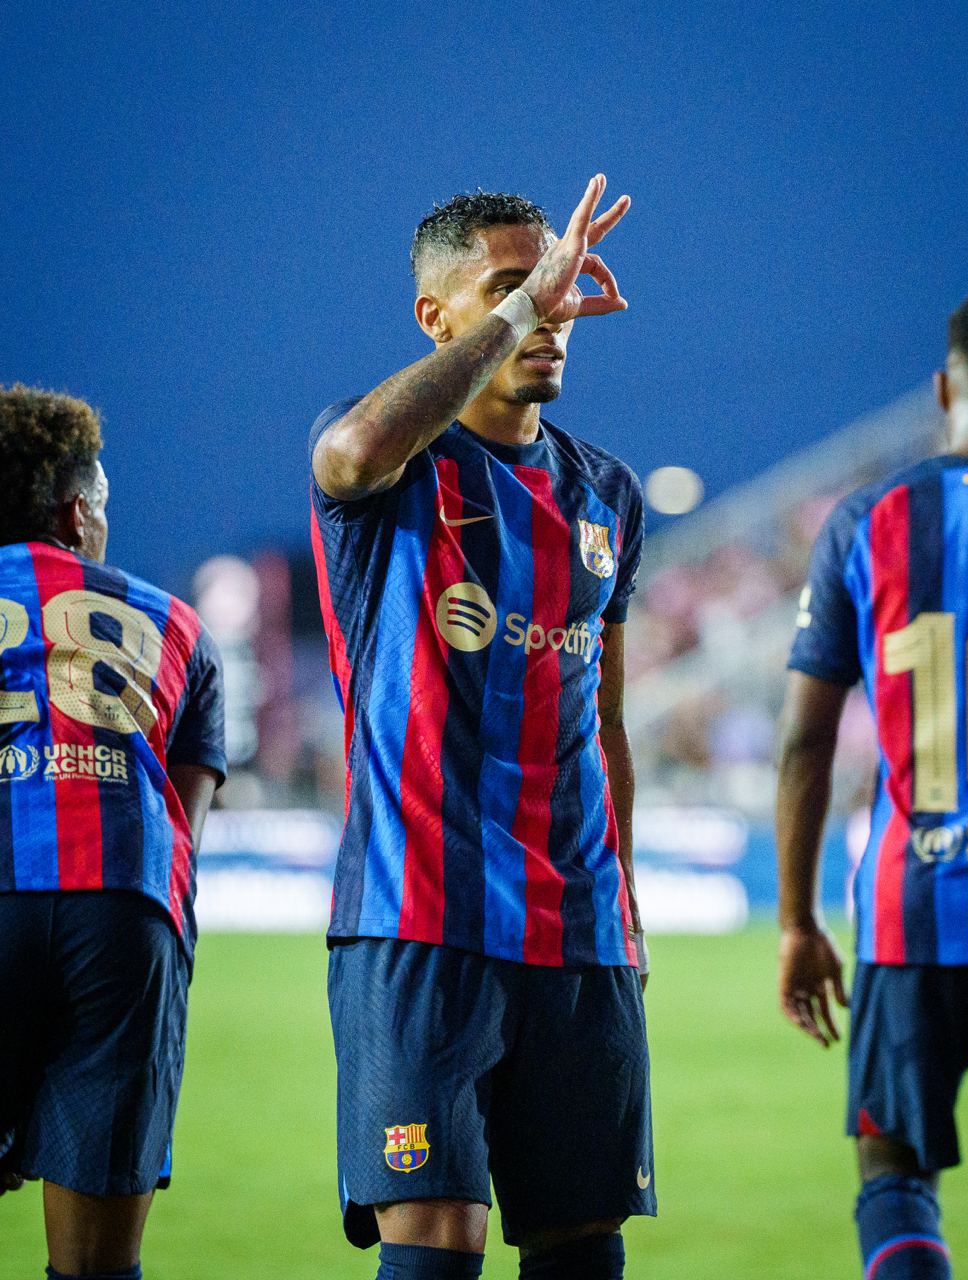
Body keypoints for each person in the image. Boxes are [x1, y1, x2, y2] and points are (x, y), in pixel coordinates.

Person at [308, 174, 654, 1280]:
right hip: (418, 918)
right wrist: (521, 308)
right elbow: (352, 453)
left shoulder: (606, 492)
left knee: (580, 1243)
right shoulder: (391, 459)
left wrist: (625, 904)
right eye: (513, 285)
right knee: (436, 1244)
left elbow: (604, 716)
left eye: (558, 285)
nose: (550, 309)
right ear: (437, 315)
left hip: (577, 927)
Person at [776, 289, 968, 1278]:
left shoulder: (866, 520)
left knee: (893, 1172)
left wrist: (797, 921)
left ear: (943, 387)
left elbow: (804, 743)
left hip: (910, 905)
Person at [0, 386, 226, 1280]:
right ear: (75, 511)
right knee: (95, 1265)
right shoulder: (176, 622)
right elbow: (185, 827)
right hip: (123, 910)